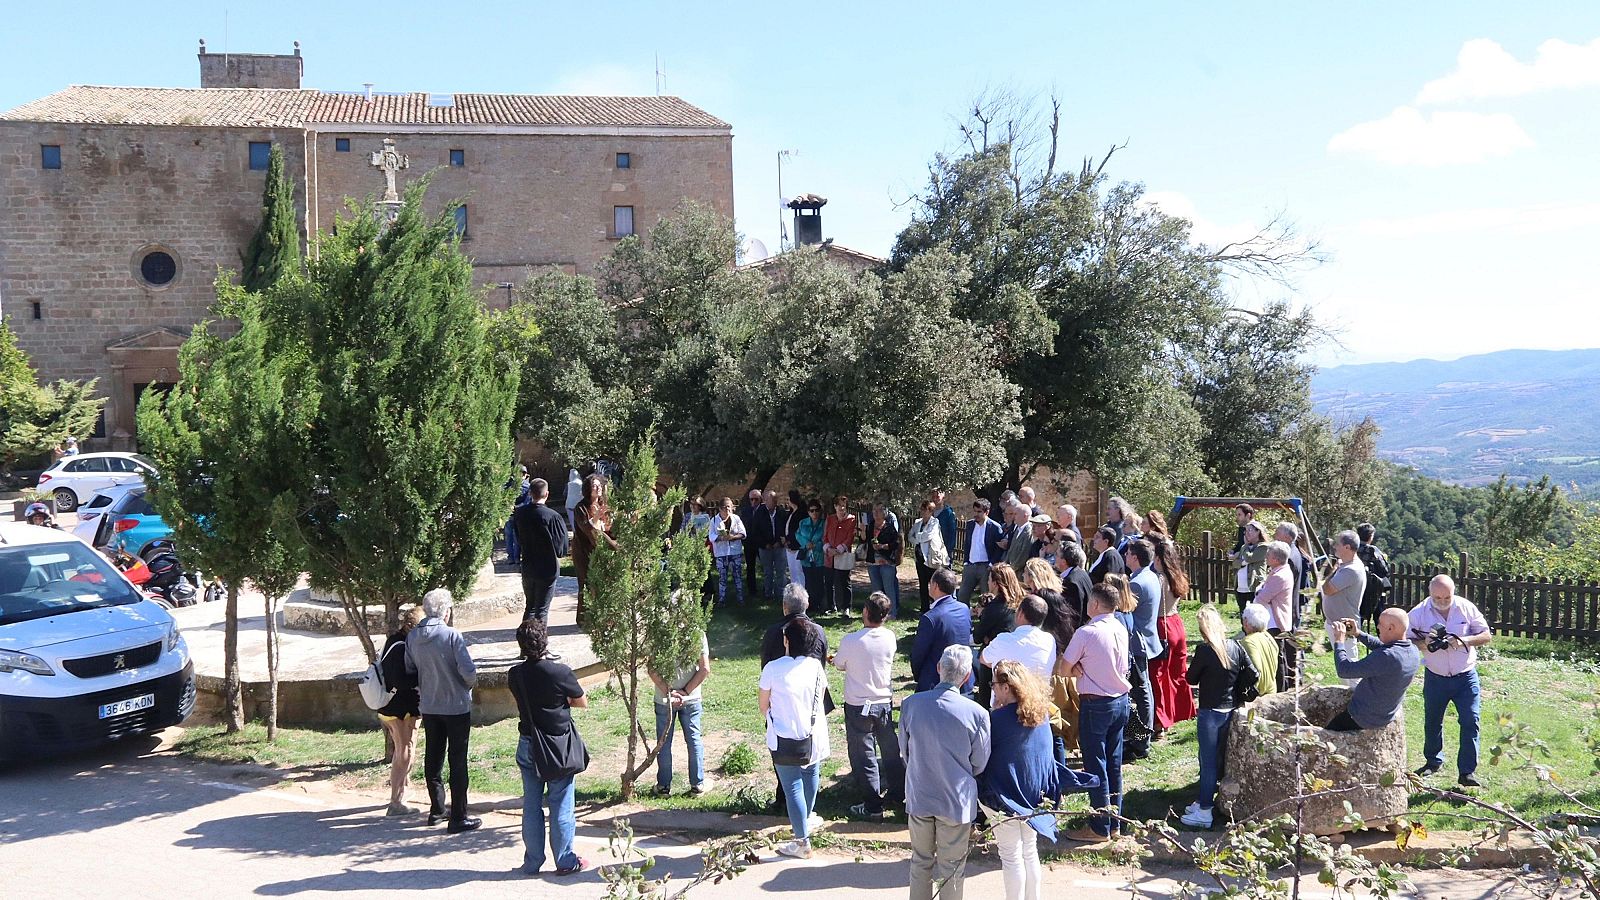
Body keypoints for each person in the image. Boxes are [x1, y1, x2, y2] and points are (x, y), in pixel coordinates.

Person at [981, 661, 1097, 900]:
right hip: (1036, 794)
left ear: (1006, 687)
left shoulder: (995, 720)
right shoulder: (1041, 714)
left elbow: (982, 759)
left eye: (994, 684)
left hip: (1005, 797)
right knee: (1029, 851)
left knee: (1011, 855)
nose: (992, 689)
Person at [902, 645, 991, 900]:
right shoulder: (978, 714)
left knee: (920, 862)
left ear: (939, 668)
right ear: (966, 677)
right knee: (952, 868)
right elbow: (979, 763)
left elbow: (905, 752)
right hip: (956, 800)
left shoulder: (911, 705)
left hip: (920, 793)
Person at [508, 617, 590, 875]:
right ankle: (565, 860)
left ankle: (532, 862)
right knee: (561, 803)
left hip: (528, 743)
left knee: (531, 805)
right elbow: (581, 701)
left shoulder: (515, 674)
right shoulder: (559, 672)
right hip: (557, 747)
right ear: (545, 641)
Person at [1059, 583, 1132, 842]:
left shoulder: (1086, 633)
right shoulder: (1121, 628)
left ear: (1097, 605)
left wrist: (1078, 667)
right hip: (1120, 700)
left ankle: (1100, 827)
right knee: (1113, 764)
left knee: (1096, 764)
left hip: (1096, 703)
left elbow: (1064, 668)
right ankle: (1115, 823)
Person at [406, 588, 481, 833]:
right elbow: (468, 672)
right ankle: (458, 815)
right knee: (457, 761)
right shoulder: (451, 636)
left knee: (433, 757)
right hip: (456, 706)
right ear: (446, 611)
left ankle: (437, 810)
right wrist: (466, 686)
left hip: (430, 704)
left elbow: (410, 668)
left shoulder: (413, 637)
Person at [759, 618, 832, 860]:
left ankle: (802, 842)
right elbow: (820, 697)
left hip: (783, 737)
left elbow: (763, 706)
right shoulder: (816, 667)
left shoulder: (772, 668)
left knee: (792, 788)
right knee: (811, 776)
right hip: (812, 736)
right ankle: (805, 822)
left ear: (787, 641)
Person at [1410, 574, 1492, 788]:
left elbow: (1486, 635)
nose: (1443, 602)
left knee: (1470, 720)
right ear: (1430, 593)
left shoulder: (1466, 607)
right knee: (1432, 720)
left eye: (1447, 597)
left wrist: (1463, 641)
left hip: (1465, 675)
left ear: (1453, 593)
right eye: (1438, 597)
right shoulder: (1419, 612)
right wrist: (1423, 643)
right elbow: (1404, 638)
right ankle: (1432, 761)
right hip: (1435, 676)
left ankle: (1467, 772)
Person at [1180, 604, 1257, 829]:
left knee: (1208, 762)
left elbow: (1191, 679)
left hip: (1210, 712)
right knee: (1219, 760)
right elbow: (1253, 673)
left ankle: (1205, 811)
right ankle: (1207, 801)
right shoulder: (1236, 647)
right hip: (1230, 710)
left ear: (1204, 630)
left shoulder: (1205, 651)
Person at [833, 591, 905, 820]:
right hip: (883, 701)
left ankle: (873, 806)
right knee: (890, 749)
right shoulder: (890, 638)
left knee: (864, 754)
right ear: (885, 615)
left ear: (865, 612)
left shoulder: (851, 640)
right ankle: (898, 793)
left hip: (858, 704)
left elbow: (839, 664)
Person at [1326, 608, 1421, 732]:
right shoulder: (1412, 651)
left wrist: (1339, 641)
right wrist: (1357, 633)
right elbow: (1382, 646)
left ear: (1391, 628)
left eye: (1380, 624)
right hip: (1385, 714)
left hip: (1364, 717)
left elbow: (1344, 670)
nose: (1378, 626)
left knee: (1329, 734)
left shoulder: (1386, 657)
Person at [650, 629, 712, 796]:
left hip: (664, 698)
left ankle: (663, 786)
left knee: (663, 742)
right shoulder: (697, 632)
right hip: (691, 698)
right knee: (694, 740)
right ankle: (697, 785)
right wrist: (685, 692)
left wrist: (669, 691)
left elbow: (652, 669)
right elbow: (705, 668)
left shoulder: (659, 632)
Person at [376, 607, 423, 816]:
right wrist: (422, 677)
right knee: (404, 751)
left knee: (409, 747)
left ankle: (402, 790)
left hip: (403, 706)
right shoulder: (400, 646)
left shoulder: (397, 641)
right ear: (410, 626)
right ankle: (395, 801)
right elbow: (399, 680)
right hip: (398, 707)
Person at [1147, 537, 1196, 736]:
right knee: (1178, 672)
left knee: (1158, 675)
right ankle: (1179, 711)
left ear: (1158, 558)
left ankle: (1160, 722)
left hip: (1161, 625)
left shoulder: (1157, 579)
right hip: (1176, 623)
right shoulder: (1178, 576)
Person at [1121, 540, 1162, 758]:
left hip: (1137, 643)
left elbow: (1125, 612)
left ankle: (1140, 743)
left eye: (1127, 553)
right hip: (1145, 640)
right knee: (1143, 690)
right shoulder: (1150, 575)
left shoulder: (1136, 583)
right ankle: (1139, 739)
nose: (1125, 557)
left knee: (1141, 693)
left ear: (1135, 556)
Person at [512, 478, 570, 626]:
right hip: (547, 568)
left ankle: (526, 641)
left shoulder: (520, 514)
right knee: (541, 610)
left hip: (528, 566)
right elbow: (561, 549)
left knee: (530, 607)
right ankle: (538, 644)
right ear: (547, 494)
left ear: (530, 493)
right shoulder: (552, 517)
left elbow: (518, 539)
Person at [911, 568, 973, 693]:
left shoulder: (931, 618)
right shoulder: (964, 609)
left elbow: (918, 654)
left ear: (935, 586)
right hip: (963, 681)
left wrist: (920, 677)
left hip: (935, 683)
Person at [972, 562, 1024, 707]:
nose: (987, 582)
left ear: (995, 583)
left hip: (993, 662)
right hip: (1017, 660)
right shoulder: (1021, 603)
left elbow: (977, 636)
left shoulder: (993, 608)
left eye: (989, 579)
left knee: (987, 702)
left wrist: (985, 632)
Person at [983, 594, 1056, 688]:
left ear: (1020, 613)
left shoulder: (1003, 640)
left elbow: (984, 659)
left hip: (1006, 700)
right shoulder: (1050, 640)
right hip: (1038, 698)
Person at [1321, 530, 1368, 679]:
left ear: (1347, 547)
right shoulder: (1346, 565)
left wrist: (1332, 571)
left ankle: (1357, 698)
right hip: (1338, 623)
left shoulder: (1351, 570)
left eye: (1338, 544)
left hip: (1345, 626)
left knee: (1350, 669)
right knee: (1343, 668)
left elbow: (1327, 589)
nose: (1335, 547)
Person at [571, 474, 617, 624]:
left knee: (604, 583)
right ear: (587, 489)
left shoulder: (605, 505)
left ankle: (604, 617)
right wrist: (613, 546)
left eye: (599, 486)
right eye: (593, 486)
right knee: (586, 583)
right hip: (584, 552)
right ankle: (584, 619)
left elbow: (610, 527)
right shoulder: (581, 508)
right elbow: (591, 531)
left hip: (602, 551)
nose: (597, 489)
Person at [1254, 541, 1298, 691]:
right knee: (1277, 655)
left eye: (1269, 554)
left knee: (1277, 657)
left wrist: (1259, 591)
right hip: (1272, 621)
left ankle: (1281, 689)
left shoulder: (1280, 575)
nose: (1266, 556)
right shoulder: (1278, 570)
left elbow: (1261, 597)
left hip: (1276, 623)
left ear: (1276, 559)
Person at [909, 499, 951, 615]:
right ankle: (924, 609)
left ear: (931, 511)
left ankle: (935, 608)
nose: (922, 512)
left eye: (925, 510)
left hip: (932, 558)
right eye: (921, 509)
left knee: (935, 584)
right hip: (919, 557)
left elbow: (927, 536)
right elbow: (910, 536)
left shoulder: (935, 522)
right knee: (923, 584)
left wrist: (917, 538)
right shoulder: (918, 522)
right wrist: (918, 538)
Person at [960, 499, 1005, 603]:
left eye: (979, 512)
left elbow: (999, 549)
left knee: (986, 597)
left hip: (986, 567)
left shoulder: (994, 527)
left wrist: (991, 565)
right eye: (975, 511)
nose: (976, 514)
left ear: (986, 512)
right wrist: (966, 562)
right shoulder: (970, 525)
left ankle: (985, 617)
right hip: (970, 566)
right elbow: (967, 544)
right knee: (962, 595)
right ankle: (963, 617)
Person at [709, 497, 749, 607]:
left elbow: (743, 533)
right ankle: (722, 600)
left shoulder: (736, 519)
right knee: (722, 577)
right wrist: (720, 538)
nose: (727, 509)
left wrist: (732, 537)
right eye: (724, 507)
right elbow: (711, 536)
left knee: (737, 576)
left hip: (735, 552)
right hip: (721, 553)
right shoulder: (714, 520)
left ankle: (740, 599)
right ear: (719, 509)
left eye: (729, 507)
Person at [823, 496, 858, 616]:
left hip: (842, 555)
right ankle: (831, 607)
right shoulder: (831, 518)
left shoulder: (851, 519)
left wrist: (839, 549)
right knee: (829, 582)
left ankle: (846, 608)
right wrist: (828, 548)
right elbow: (825, 536)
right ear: (835, 506)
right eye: (839, 506)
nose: (842, 508)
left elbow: (850, 537)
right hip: (830, 555)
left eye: (844, 506)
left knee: (844, 582)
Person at [868, 502, 904, 618]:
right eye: (874, 510)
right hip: (873, 561)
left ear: (884, 513)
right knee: (876, 588)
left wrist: (883, 546)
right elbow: (864, 541)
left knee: (889, 588)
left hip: (887, 562)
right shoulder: (870, 525)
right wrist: (863, 532)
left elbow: (896, 543)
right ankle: (877, 612)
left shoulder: (889, 527)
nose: (875, 513)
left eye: (878, 511)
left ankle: (892, 613)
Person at [1356, 523, 1394, 631]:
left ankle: (1355, 636)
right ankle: (1382, 638)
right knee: (1379, 615)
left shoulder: (1353, 549)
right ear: (1371, 536)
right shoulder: (1372, 550)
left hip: (1357, 586)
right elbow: (1385, 569)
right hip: (1373, 589)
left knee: (1358, 613)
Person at [1240, 603, 1280, 698]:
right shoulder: (1269, 637)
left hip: (1257, 695)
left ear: (1245, 622)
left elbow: (1255, 670)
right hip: (1271, 692)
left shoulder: (1248, 641)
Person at [795, 499, 828, 609]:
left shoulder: (824, 524)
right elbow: (798, 535)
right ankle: (810, 604)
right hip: (806, 558)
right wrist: (806, 544)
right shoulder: (803, 523)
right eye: (811, 510)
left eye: (816, 510)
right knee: (809, 581)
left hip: (819, 557)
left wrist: (816, 545)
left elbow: (826, 538)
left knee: (819, 581)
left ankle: (820, 604)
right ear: (808, 512)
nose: (814, 513)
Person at [1231, 521, 1268, 615]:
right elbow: (1234, 563)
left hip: (1254, 585)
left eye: (1249, 530)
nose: (1246, 533)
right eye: (1245, 531)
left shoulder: (1263, 547)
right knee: (1242, 612)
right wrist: (1243, 563)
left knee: (1255, 613)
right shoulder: (1244, 547)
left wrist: (1246, 549)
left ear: (1258, 532)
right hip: (1240, 586)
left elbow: (1249, 558)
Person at [1056, 540, 1093, 623]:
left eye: (1057, 555)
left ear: (1064, 561)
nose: (1055, 558)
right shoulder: (1081, 572)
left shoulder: (1071, 582)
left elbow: (1074, 613)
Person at [741, 489, 764, 597]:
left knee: (766, 567)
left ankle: (767, 589)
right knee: (750, 567)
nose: (754, 501)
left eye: (756, 499)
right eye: (752, 499)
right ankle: (752, 590)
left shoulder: (764, 510)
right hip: (749, 543)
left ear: (760, 499)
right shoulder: (745, 511)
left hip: (761, 543)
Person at [784, 489, 807, 586]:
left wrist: (789, 539)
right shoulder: (791, 512)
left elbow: (798, 531)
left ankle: (802, 594)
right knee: (792, 572)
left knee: (799, 572)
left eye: (789, 499)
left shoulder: (801, 514)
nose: (787, 501)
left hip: (798, 546)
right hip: (789, 547)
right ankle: (794, 595)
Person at [932, 489, 959, 574]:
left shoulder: (948, 513)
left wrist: (948, 550)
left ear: (943, 497)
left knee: (945, 577)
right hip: (932, 550)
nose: (935, 499)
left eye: (937, 497)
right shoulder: (929, 512)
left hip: (944, 550)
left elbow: (952, 533)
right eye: (933, 497)